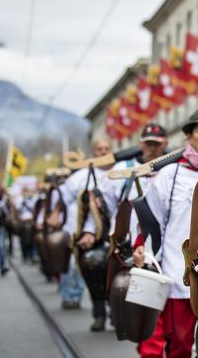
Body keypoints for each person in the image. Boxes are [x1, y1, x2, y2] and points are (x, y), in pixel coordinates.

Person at [132, 111, 198, 358]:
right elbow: (148, 218)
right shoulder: (170, 175)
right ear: (188, 136)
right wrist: (140, 245)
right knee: (179, 343)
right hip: (179, 274)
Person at [77, 123, 168, 331]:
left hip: (161, 240)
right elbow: (101, 207)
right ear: (140, 144)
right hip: (125, 240)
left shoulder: (173, 170)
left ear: (165, 144)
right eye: (148, 144)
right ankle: (102, 311)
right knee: (93, 261)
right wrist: (90, 231)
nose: (152, 148)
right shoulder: (121, 171)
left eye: (156, 144)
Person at [58, 138, 112, 311]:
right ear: (93, 152)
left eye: (106, 149)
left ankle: (112, 311)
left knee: (111, 273)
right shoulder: (80, 177)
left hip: (111, 234)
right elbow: (61, 199)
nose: (103, 152)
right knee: (83, 267)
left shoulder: (119, 172)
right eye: (99, 149)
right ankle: (78, 299)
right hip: (85, 233)